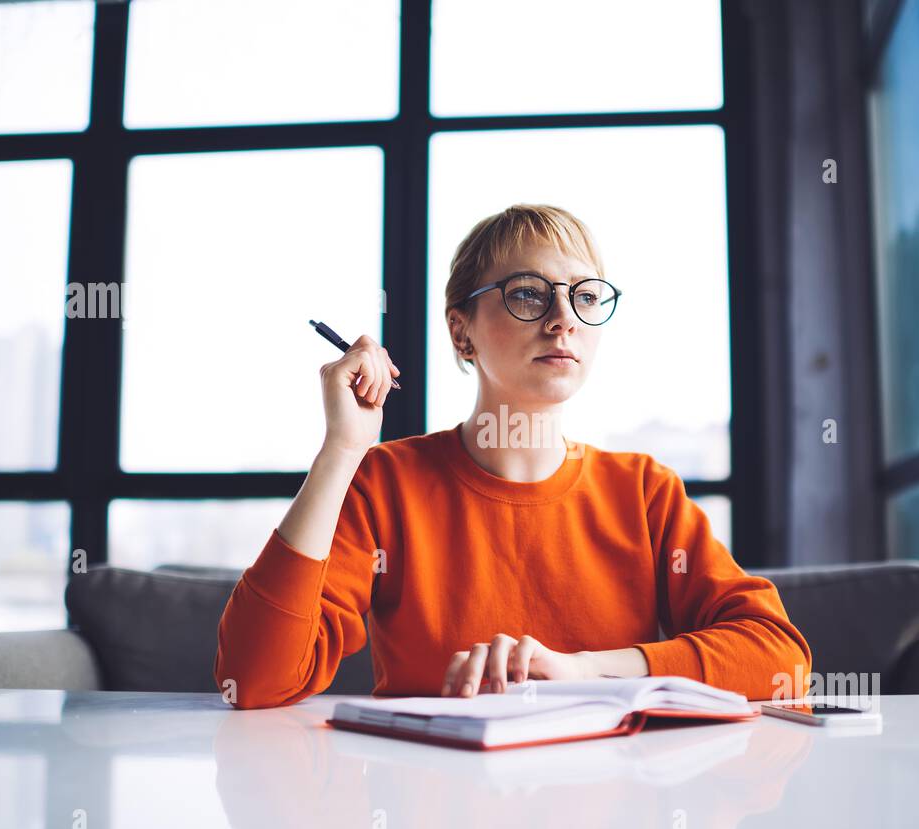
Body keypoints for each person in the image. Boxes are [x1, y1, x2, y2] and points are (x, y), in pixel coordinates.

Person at [214, 204, 811, 709]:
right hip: (430, 814)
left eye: (584, 296)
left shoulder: (644, 491)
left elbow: (780, 660)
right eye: (528, 293)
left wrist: (581, 672)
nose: (562, 321)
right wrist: (342, 450)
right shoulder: (385, 484)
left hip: (608, 820)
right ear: (461, 332)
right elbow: (253, 682)